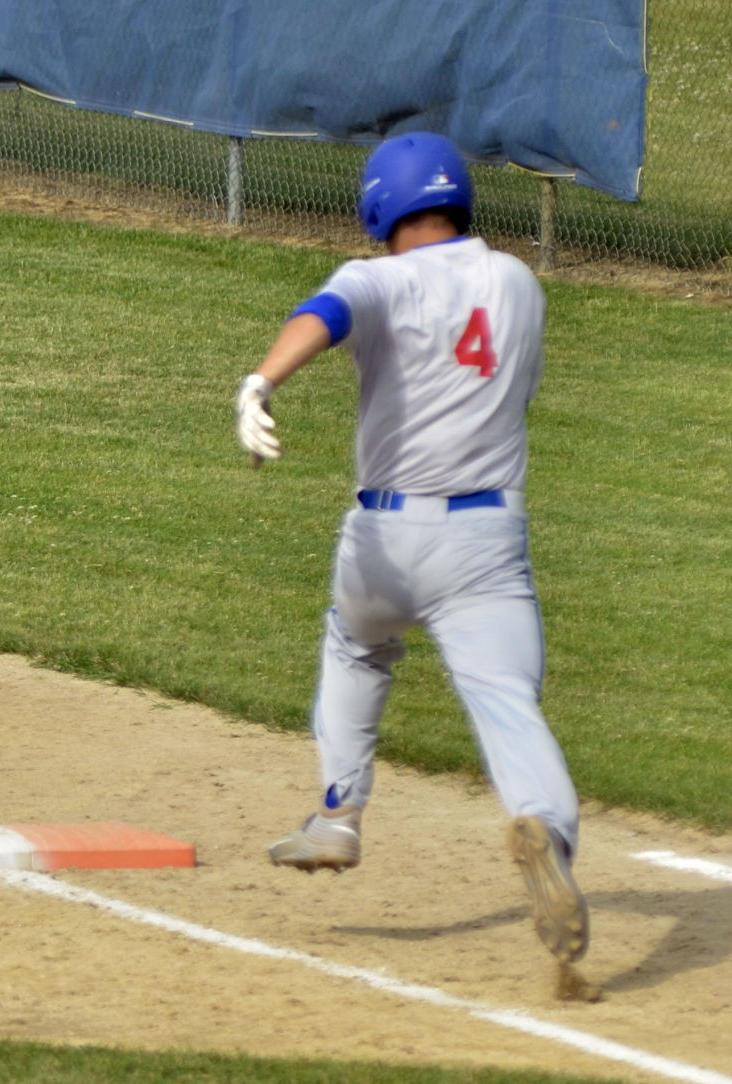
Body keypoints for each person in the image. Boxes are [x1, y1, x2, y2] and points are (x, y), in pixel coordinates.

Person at [232, 133, 588, 966]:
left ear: (378, 208)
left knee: (358, 644)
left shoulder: (376, 278)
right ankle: (549, 834)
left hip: (385, 545)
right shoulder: (521, 285)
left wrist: (262, 382)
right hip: (488, 546)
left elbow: (323, 317)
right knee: (509, 702)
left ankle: (338, 816)